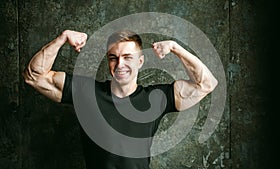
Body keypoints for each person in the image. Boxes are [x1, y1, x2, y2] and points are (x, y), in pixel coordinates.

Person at [23, 30, 218, 169]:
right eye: (113, 57)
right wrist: (62, 37)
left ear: (140, 61)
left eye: (128, 57)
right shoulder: (86, 92)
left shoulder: (156, 98)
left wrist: (176, 48)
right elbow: (34, 76)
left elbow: (207, 84)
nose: (120, 64)